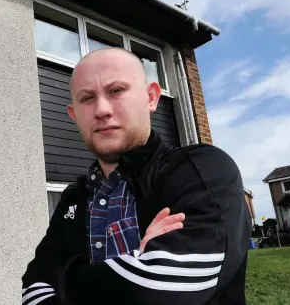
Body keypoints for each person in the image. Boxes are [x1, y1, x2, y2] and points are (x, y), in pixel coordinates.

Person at [21, 48, 250, 305]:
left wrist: (65, 281)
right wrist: (137, 260)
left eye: (116, 91)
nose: (102, 110)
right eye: (87, 98)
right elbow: (33, 289)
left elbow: (160, 291)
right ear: (74, 115)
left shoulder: (201, 171)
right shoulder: (72, 201)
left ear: (151, 98)